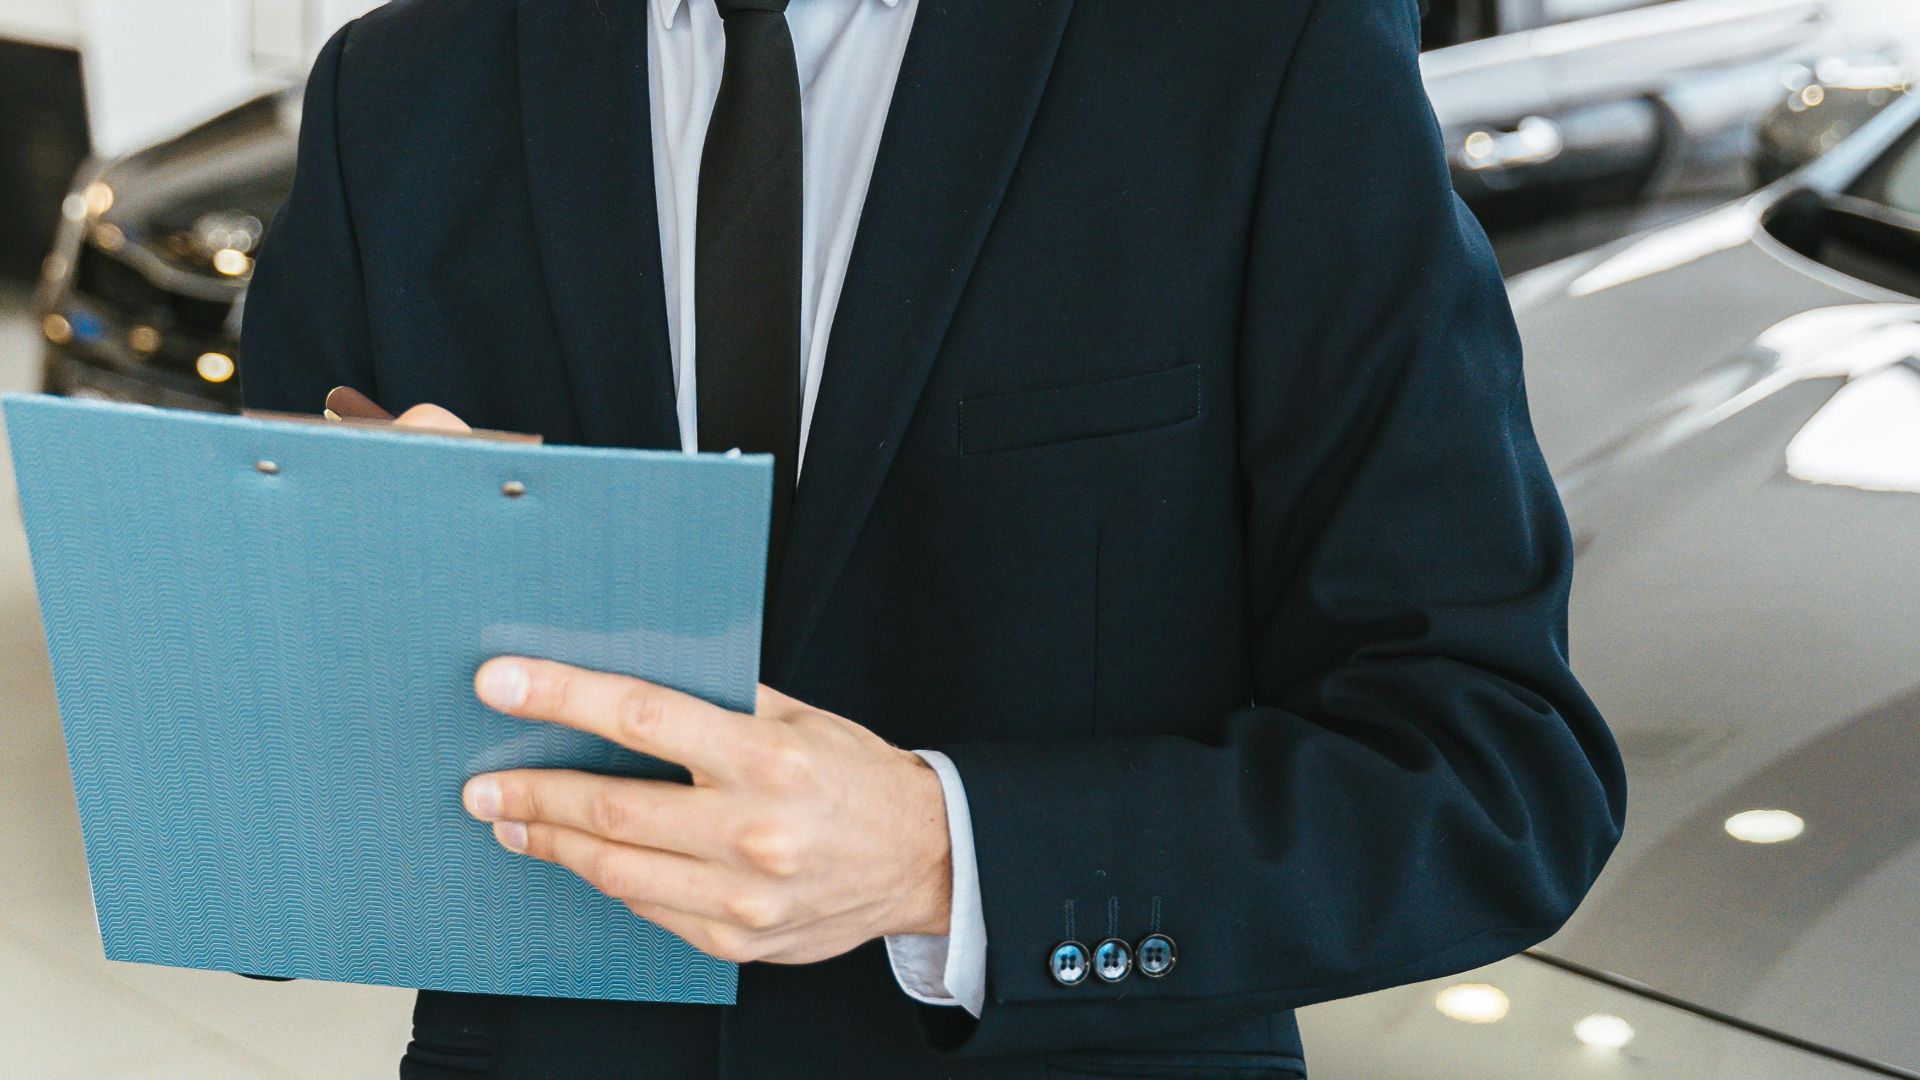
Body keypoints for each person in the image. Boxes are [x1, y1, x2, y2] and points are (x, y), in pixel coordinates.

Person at [236, 0, 1628, 1076]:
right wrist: (362, 620)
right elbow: (249, 787)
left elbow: (1494, 771)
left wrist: (940, 854)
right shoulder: (396, 93)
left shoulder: (1259, 53)